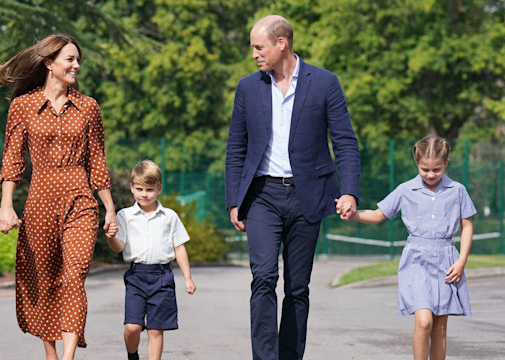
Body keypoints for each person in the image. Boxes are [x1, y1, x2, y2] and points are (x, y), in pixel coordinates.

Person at [225, 15, 361, 360]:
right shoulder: (248, 87)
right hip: (261, 197)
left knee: (298, 287)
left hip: (308, 197)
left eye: (259, 47)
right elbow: (236, 147)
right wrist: (233, 200)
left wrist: (349, 191)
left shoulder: (325, 83)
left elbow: (345, 142)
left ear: (281, 43)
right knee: (264, 278)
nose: (254, 54)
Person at [0, 33, 117, 360]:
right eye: (70, 60)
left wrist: (110, 209)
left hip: (81, 201)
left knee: (74, 277)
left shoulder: (89, 107)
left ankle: (68, 357)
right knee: (44, 280)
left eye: (78, 60)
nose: (76, 65)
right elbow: (12, 159)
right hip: (40, 202)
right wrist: (6, 206)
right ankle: (51, 353)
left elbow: (98, 161)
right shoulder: (23, 106)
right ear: (49, 63)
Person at [346, 135, 474, 360]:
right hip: (416, 262)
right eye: (425, 169)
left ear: (446, 163)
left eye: (436, 169)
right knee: (424, 321)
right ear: (417, 163)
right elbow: (378, 215)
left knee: (439, 328)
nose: (430, 174)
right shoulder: (406, 190)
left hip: (447, 262)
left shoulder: (458, 190)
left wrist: (461, 260)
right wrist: (353, 214)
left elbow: (466, 225)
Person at [106, 160, 196, 360]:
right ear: (131, 188)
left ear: (159, 189)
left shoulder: (169, 217)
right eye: (139, 189)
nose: (144, 194)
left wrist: (188, 278)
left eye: (149, 189)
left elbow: (179, 247)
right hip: (136, 277)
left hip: (162, 277)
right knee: (132, 326)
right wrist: (111, 236)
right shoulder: (125, 216)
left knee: (156, 330)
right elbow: (119, 247)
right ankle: (132, 355)